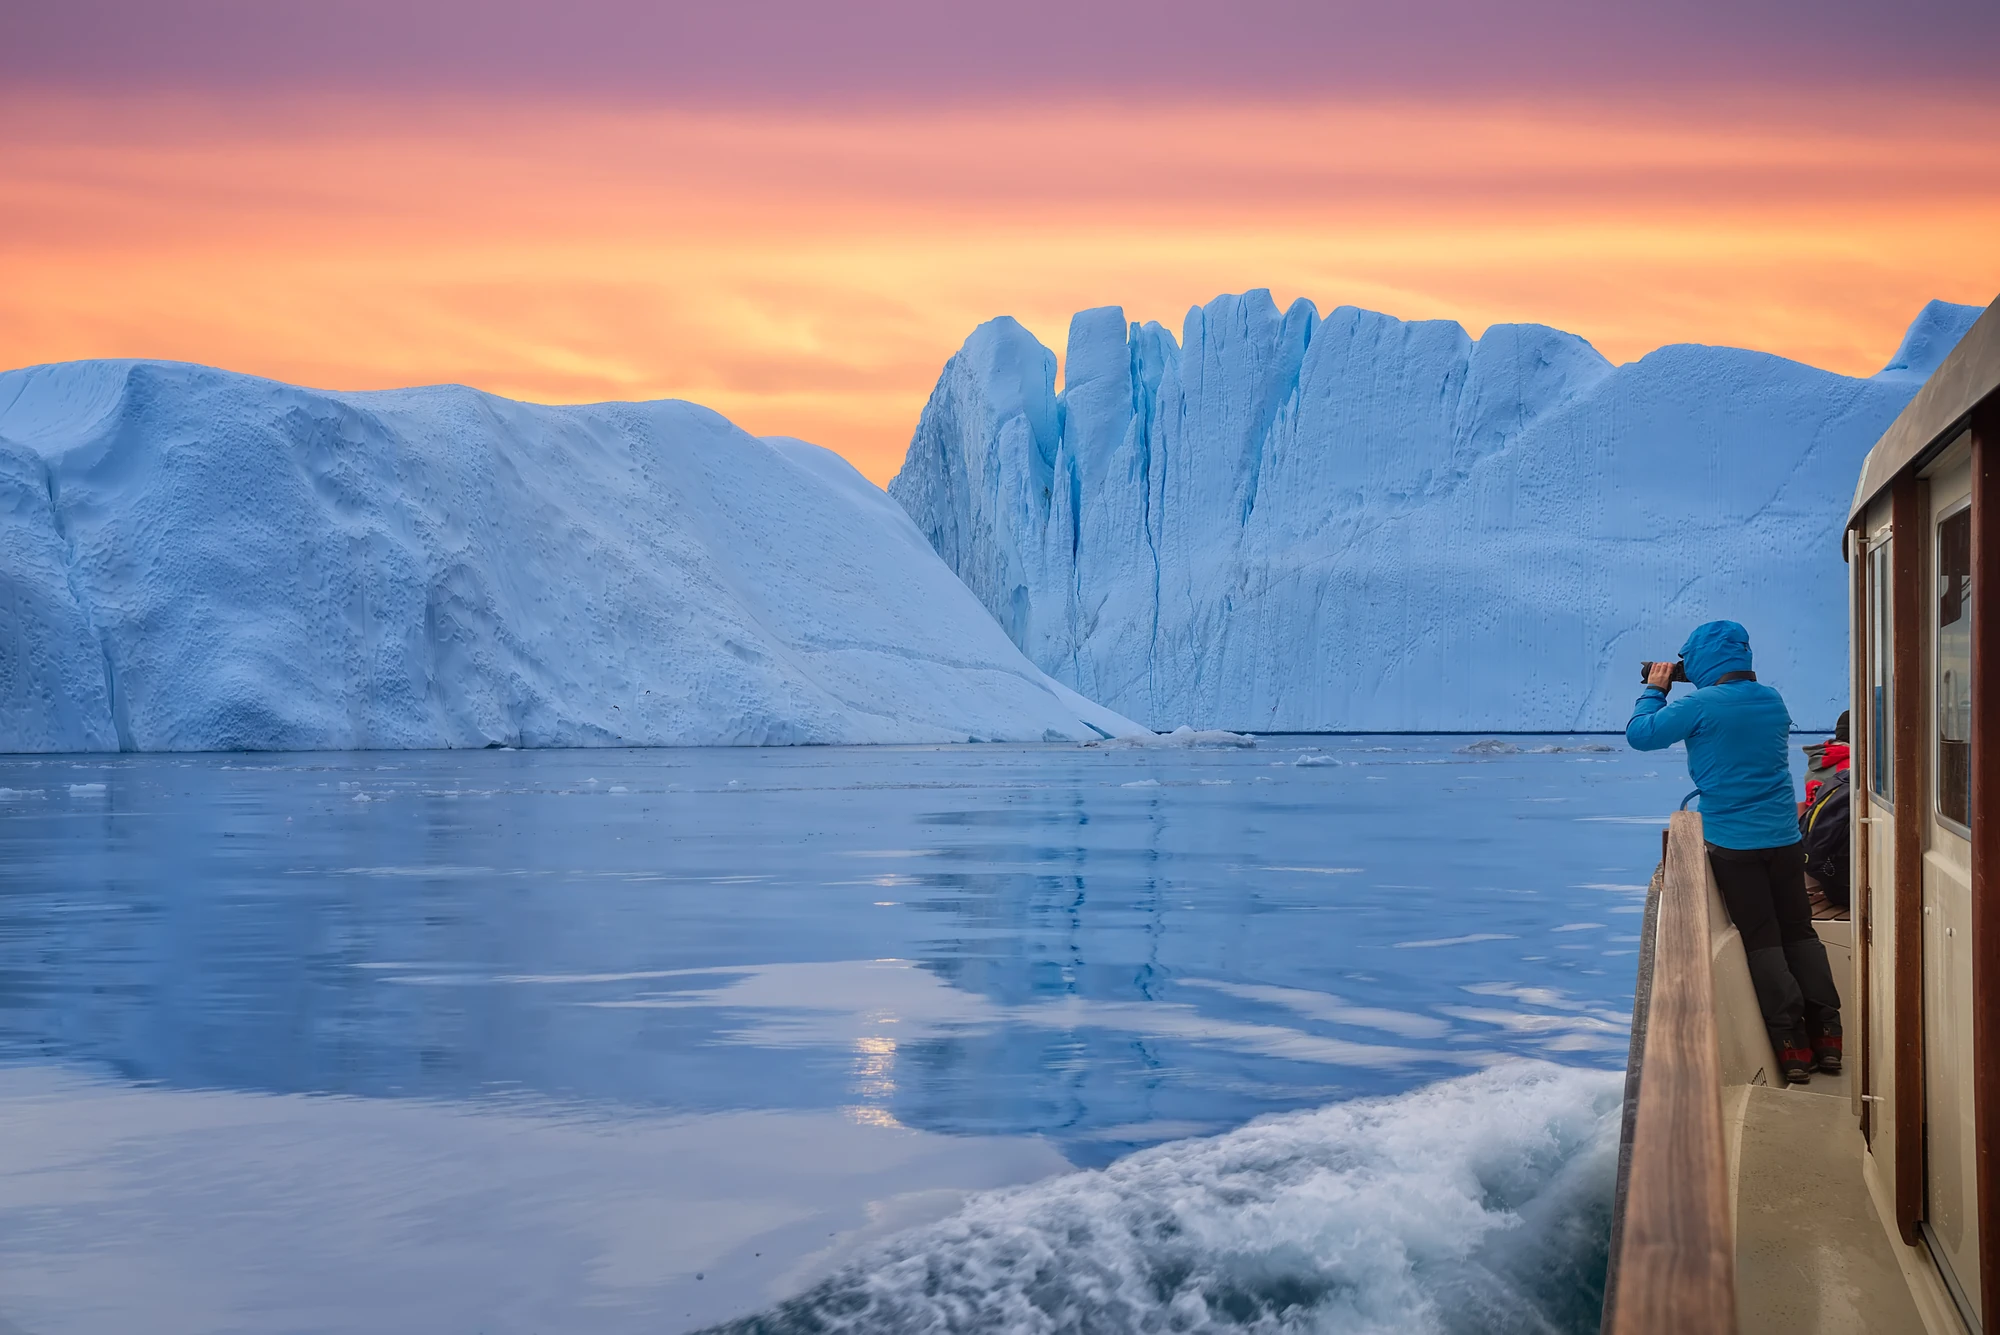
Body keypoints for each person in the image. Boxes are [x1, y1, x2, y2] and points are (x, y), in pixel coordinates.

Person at [1626, 621, 1842, 1083]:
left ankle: (1793, 1048)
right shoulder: (1772, 699)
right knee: (1800, 933)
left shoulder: (1700, 705)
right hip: (1785, 839)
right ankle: (1828, 1036)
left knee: (1763, 939)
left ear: (1701, 660)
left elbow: (1641, 735)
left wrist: (1655, 688)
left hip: (1735, 844)